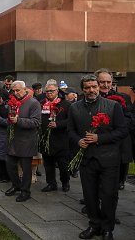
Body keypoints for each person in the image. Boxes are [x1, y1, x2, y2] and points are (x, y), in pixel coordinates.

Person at [67, 74, 127, 240]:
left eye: (94, 86)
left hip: (109, 159)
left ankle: (108, 228)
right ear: (82, 89)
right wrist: (78, 140)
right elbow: (70, 130)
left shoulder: (113, 106)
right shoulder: (75, 107)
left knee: (108, 195)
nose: (91, 90)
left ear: (99, 86)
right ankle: (94, 225)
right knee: (89, 195)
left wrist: (99, 138)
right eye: (87, 87)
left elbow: (122, 131)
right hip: (87, 159)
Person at [95, 68, 133, 191]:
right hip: (97, 141)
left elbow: (130, 118)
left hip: (118, 141)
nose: (106, 85)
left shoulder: (123, 98)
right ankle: (93, 198)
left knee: (114, 179)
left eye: (108, 82)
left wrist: (117, 131)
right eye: (102, 82)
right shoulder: (89, 98)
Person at [4, 80, 41, 202]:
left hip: (26, 141)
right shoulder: (12, 102)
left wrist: (18, 121)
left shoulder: (33, 103)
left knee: (26, 168)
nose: (15, 93)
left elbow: (36, 122)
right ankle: (16, 185)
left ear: (25, 89)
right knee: (10, 164)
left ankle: (25, 191)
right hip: (13, 140)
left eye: (18, 90)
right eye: (13, 91)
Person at [39, 81, 71, 192]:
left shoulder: (65, 104)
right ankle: (51, 183)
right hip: (45, 140)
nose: (49, 93)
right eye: (47, 91)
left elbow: (71, 121)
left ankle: (65, 182)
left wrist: (58, 124)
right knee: (48, 165)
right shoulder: (41, 103)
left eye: (52, 91)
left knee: (63, 166)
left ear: (57, 91)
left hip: (61, 140)